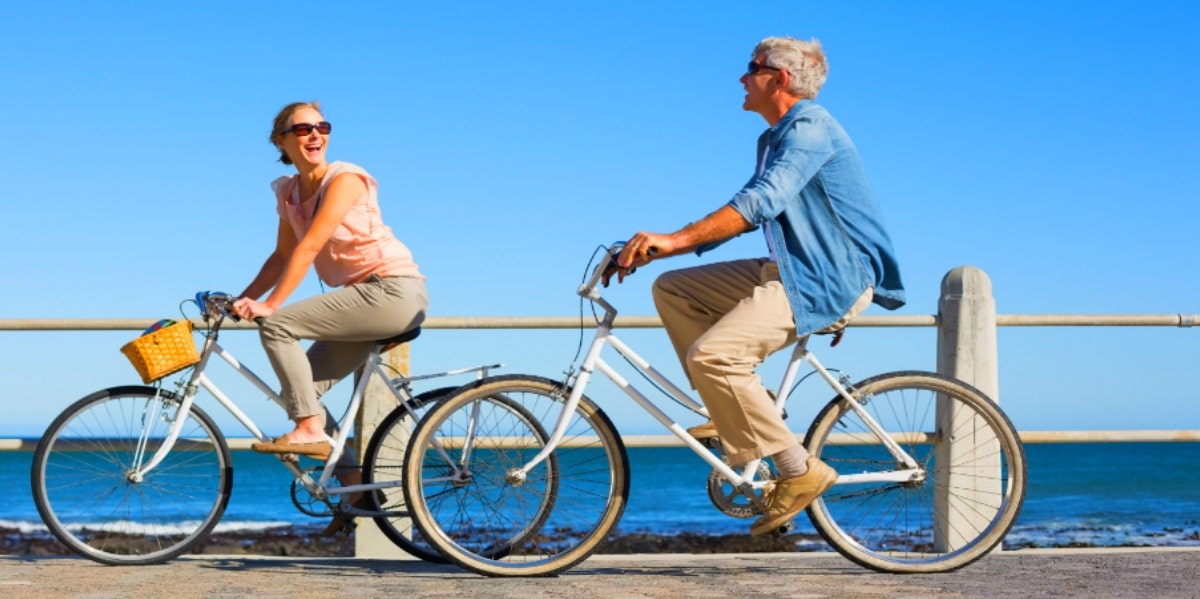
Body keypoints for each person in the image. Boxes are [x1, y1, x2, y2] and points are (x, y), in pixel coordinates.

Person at [608, 37, 905, 536]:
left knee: (713, 356)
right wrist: (660, 251)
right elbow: (750, 213)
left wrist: (672, 238)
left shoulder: (810, 127)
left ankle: (798, 469)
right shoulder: (773, 138)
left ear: (780, 78)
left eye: (752, 68)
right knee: (674, 289)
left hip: (826, 277)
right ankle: (740, 406)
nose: (741, 78)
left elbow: (760, 203)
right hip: (789, 269)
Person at [232, 101, 428, 533]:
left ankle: (309, 432)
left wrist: (269, 307)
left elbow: (310, 246)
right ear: (281, 141)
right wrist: (241, 300)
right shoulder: (288, 193)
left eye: (321, 126)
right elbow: (281, 255)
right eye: (302, 130)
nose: (314, 135)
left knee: (279, 327)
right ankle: (356, 492)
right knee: (300, 391)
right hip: (361, 298)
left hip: (392, 290)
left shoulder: (345, 178)